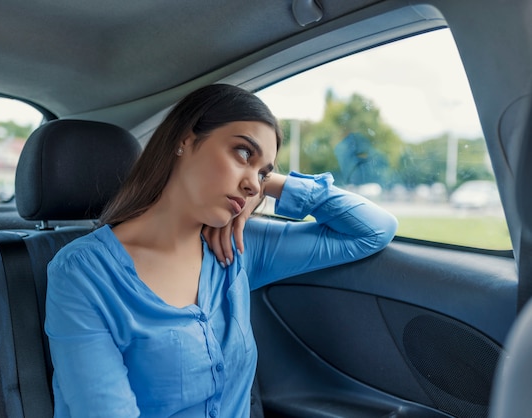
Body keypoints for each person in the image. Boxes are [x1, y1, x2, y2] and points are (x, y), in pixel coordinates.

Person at [45, 83, 398, 418]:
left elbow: (371, 230)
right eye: (243, 152)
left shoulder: (236, 249)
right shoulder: (82, 273)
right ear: (184, 140)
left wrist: (269, 184)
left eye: (262, 173)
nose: (250, 184)